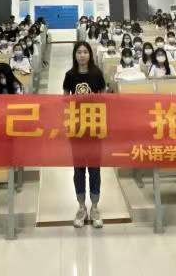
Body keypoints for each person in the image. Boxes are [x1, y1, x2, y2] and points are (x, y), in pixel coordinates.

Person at [62, 42, 106, 229]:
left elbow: (104, 99)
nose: (82, 55)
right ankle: (81, 207)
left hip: (94, 127)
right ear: (75, 55)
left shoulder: (97, 74)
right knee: (79, 169)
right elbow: (65, 100)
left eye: (85, 52)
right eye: (79, 52)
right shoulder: (69, 75)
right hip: (77, 127)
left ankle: (94, 207)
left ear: (90, 54)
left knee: (94, 169)